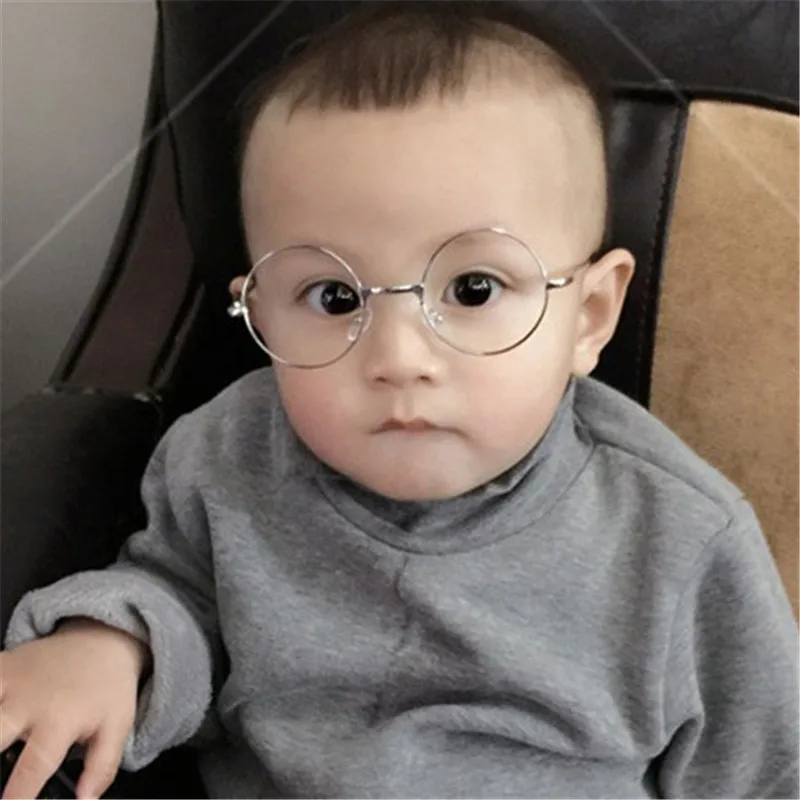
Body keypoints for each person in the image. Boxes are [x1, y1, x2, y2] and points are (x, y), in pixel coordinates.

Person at [1, 3, 797, 798]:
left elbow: (765, 771)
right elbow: (180, 594)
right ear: (262, 313)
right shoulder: (226, 456)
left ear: (589, 315)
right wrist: (111, 645)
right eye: (334, 297)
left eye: (473, 288)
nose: (398, 359)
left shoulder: (679, 534)